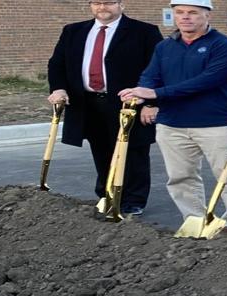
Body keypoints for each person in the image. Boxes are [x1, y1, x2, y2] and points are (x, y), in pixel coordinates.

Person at [119, 0, 227, 232]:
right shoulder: (164, 47)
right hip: (172, 124)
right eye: (179, 12)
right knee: (180, 178)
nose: (185, 17)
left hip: (216, 124)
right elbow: (150, 76)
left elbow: (205, 82)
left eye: (192, 12)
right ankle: (195, 221)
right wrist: (143, 97)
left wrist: (155, 93)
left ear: (207, 15)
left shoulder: (226, 46)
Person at [46, 0, 163, 215]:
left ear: (121, 4)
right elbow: (57, 64)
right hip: (88, 103)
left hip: (129, 104)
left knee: (133, 153)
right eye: (96, 2)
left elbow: (158, 69)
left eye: (108, 2)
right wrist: (59, 89)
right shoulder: (73, 31)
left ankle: (132, 200)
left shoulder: (144, 31)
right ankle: (106, 194)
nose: (102, 7)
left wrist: (152, 103)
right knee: (101, 151)